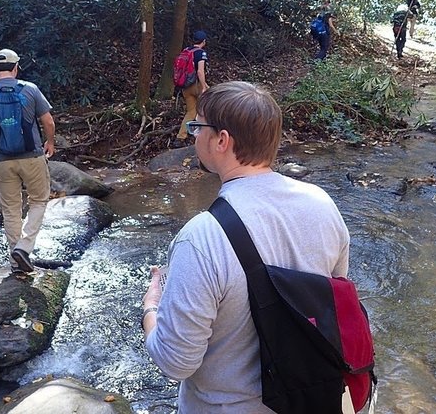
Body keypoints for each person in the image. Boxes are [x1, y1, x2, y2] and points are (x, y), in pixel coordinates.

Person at [142, 81, 350, 413]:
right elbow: (333, 299)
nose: (193, 134)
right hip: (310, 401)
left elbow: (176, 363)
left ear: (222, 140)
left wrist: (151, 309)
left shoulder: (201, 238)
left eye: (198, 126)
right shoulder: (322, 204)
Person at [0, 48, 55, 273]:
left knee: (10, 210)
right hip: (32, 158)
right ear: (16, 67)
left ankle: (16, 260)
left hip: (1, 161)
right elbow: (48, 122)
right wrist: (50, 142)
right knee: (38, 201)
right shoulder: (30, 90)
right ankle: (24, 247)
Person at [173, 30, 209, 146]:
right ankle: (207, 137)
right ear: (203, 41)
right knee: (209, 108)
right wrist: (204, 87)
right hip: (196, 85)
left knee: (191, 112)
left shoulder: (186, 51)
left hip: (185, 86)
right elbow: (200, 71)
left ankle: (180, 138)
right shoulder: (200, 53)